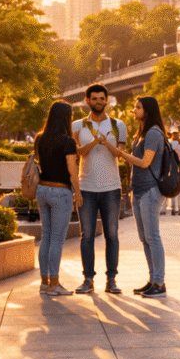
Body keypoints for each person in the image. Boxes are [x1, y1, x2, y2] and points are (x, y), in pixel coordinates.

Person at [109, 97, 168, 298]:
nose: (134, 110)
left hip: (151, 190)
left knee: (152, 236)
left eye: (138, 107)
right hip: (139, 190)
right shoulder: (141, 133)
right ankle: (153, 280)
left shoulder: (153, 133)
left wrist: (121, 154)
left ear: (148, 111)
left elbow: (144, 162)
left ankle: (159, 283)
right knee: (145, 238)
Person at [71, 85, 126, 294]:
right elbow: (75, 154)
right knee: (86, 236)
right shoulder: (78, 125)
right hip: (86, 187)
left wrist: (107, 144)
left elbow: (120, 155)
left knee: (112, 235)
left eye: (102, 98)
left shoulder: (119, 125)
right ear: (87, 101)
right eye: (94, 98)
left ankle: (111, 280)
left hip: (112, 187)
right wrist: (95, 141)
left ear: (107, 100)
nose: (98, 102)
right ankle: (88, 279)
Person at [36, 102, 81, 295]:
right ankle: (54, 284)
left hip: (42, 190)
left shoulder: (40, 138)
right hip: (60, 192)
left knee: (46, 236)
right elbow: (72, 169)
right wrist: (77, 192)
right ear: (66, 117)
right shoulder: (67, 141)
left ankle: (45, 283)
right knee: (56, 240)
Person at [167, 131, 180, 214]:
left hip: (169, 168)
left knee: (171, 187)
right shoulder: (179, 146)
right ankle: (176, 209)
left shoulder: (168, 145)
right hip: (178, 168)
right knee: (178, 188)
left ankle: (171, 207)